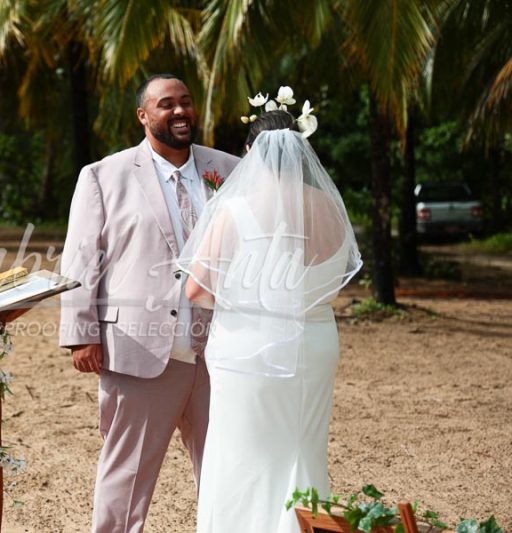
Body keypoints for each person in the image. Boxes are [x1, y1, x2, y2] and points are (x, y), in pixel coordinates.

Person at [59, 73, 240, 532]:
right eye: (166, 104)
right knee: (127, 476)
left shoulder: (231, 170)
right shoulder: (104, 175)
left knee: (228, 472)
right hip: (139, 350)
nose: (180, 111)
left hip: (221, 352)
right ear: (143, 115)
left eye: (186, 102)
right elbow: (82, 261)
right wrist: (81, 335)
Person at [178, 108, 362, 533]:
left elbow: (196, 290)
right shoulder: (331, 209)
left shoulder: (237, 209)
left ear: (251, 154)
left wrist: (245, 296)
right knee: (303, 448)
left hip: (251, 350)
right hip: (314, 344)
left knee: (244, 455)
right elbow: (336, 276)